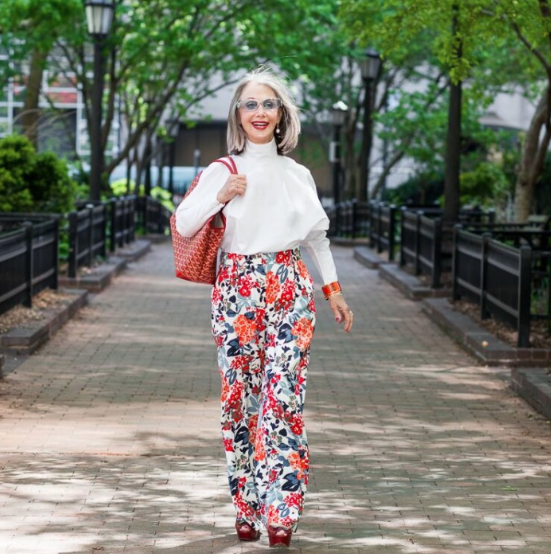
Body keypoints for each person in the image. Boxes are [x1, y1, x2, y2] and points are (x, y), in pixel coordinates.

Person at [174, 67, 353, 548]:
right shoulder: (222, 170)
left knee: (283, 398)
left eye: (268, 104)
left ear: (281, 115)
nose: (259, 112)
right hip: (236, 288)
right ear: (238, 113)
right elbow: (185, 224)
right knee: (240, 400)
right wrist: (220, 195)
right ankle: (246, 504)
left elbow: (317, 236)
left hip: (289, 285)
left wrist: (333, 290)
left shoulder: (298, 174)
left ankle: (282, 510)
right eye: (250, 104)